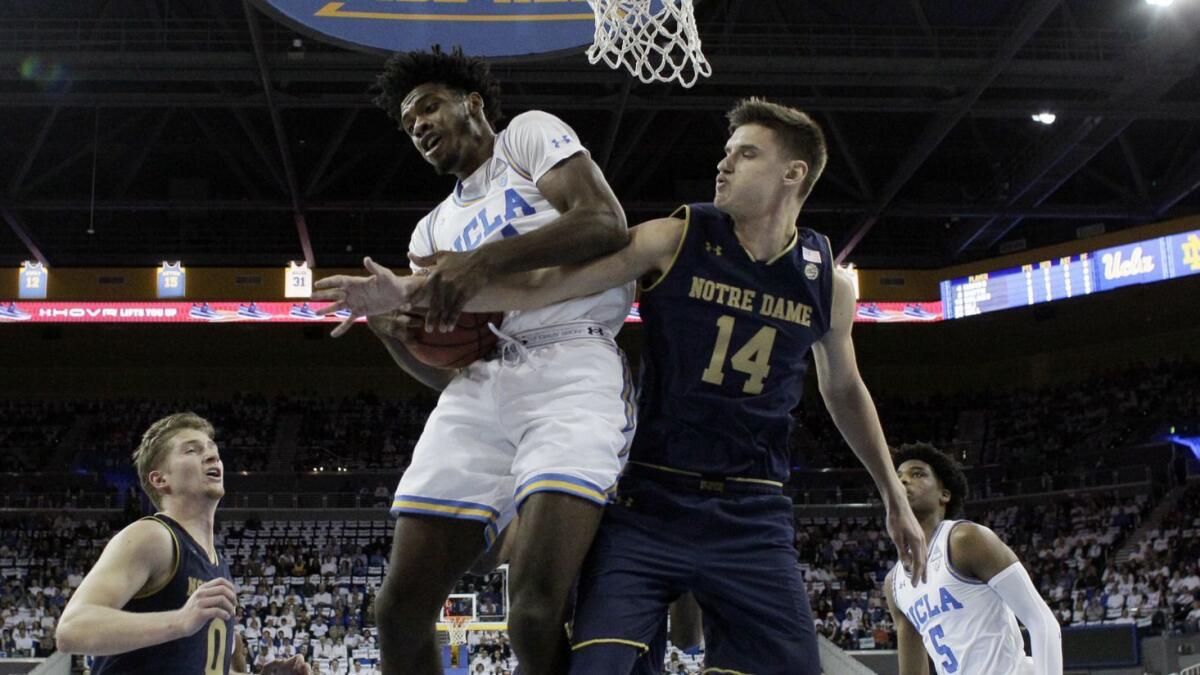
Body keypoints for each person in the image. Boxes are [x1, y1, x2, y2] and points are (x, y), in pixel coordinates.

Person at [318, 97, 926, 674]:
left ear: (793, 173)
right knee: (590, 656)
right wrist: (411, 292)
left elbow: (844, 389)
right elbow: (543, 290)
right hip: (653, 496)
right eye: (726, 149)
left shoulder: (829, 284)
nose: (723, 161)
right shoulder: (676, 236)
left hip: (753, 507)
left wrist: (893, 497)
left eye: (745, 153)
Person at [316, 46, 634, 675]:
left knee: (534, 616)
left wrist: (484, 261)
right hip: (482, 384)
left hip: (572, 362)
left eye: (428, 108)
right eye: (409, 125)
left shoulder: (526, 139)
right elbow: (445, 372)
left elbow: (605, 223)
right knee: (397, 611)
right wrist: (391, 334)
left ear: (473, 104)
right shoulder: (428, 234)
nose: (420, 127)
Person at [55, 412, 309, 675]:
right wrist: (179, 620)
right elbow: (72, 628)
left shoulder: (216, 563)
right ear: (160, 479)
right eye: (192, 450)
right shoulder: (154, 536)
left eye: (213, 450)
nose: (212, 456)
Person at [885, 442, 1062, 674]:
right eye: (898, 477)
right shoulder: (894, 584)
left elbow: (1041, 620)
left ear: (944, 494)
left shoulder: (965, 540)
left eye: (917, 474)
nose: (904, 481)